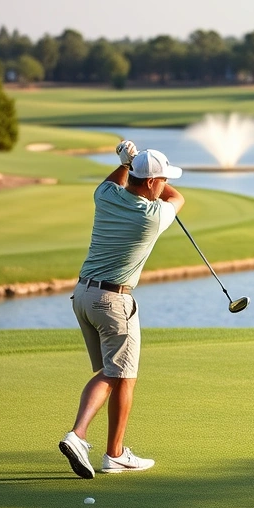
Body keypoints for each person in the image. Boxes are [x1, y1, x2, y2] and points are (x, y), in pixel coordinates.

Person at [58, 140, 185, 479]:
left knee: (115, 375)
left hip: (83, 297)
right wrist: (140, 170)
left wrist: (127, 163)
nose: (164, 184)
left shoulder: (106, 197)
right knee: (116, 374)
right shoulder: (152, 217)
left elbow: (114, 183)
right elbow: (177, 198)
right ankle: (79, 436)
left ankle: (115, 453)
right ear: (151, 183)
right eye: (161, 179)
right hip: (114, 302)